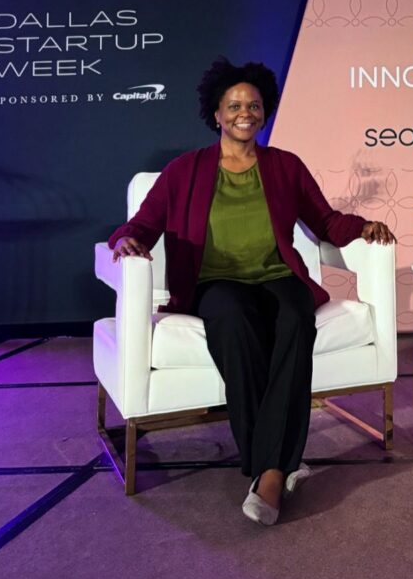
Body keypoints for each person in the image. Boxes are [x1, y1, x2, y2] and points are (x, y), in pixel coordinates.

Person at [108, 57, 394, 526]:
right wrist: (127, 240)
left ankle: (268, 472)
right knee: (232, 323)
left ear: (265, 111)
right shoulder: (184, 171)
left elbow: (324, 221)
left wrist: (363, 227)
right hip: (215, 283)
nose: (246, 112)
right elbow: (143, 223)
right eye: (234, 105)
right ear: (216, 114)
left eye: (254, 105)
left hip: (278, 276)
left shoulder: (285, 166)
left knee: (295, 321)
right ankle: (278, 468)